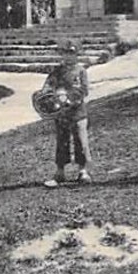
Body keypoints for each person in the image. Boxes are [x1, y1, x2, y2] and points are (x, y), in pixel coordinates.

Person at [42, 39, 91, 188]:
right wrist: (51, 95)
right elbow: (47, 88)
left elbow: (84, 90)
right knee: (62, 142)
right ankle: (60, 172)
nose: (69, 57)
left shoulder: (81, 71)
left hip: (77, 112)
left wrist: (70, 99)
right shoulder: (57, 72)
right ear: (61, 54)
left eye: (72, 53)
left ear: (77, 54)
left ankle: (83, 170)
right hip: (61, 113)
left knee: (80, 141)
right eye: (65, 53)